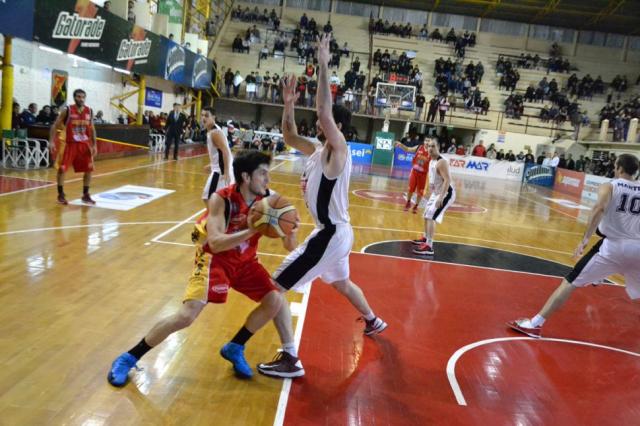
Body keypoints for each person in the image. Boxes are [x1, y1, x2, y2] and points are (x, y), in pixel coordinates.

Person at [107, 150, 299, 386]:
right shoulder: (222, 199)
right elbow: (216, 243)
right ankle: (129, 357)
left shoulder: (270, 200)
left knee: (274, 300)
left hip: (246, 262)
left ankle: (235, 346)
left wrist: (291, 229)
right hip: (214, 260)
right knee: (186, 316)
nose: (268, 180)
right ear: (246, 177)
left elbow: (290, 246)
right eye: (263, 174)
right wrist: (253, 229)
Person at [256, 35, 388, 379]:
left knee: (274, 287)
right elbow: (288, 135)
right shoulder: (317, 149)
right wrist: (287, 103)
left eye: (325, 123)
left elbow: (324, 111)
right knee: (343, 283)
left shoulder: (337, 149)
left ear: (337, 127)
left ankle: (290, 358)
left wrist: (325, 64)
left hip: (330, 234)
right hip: (334, 232)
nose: (318, 125)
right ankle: (373, 320)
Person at [508, 154, 640, 338]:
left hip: (613, 247)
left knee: (570, 282)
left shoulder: (610, 185)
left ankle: (535, 324)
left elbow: (599, 209)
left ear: (619, 168)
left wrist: (585, 239)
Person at [49, 89, 97, 205]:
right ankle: (61, 194)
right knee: (62, 169)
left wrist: (94, 144)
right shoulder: (68, 110)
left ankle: (85, 194)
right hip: (69, 144)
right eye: (78, 97)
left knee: (89, 169)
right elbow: (54, 125)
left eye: (83, 97)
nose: (81, 99)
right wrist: (51, 141)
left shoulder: (89, 111)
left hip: (84, 144)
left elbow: (92, 128)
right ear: (74, 98)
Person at [411, 140, 456, 256]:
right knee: (426, 214)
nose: (430, 148)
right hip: (436, 193)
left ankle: (429, 247)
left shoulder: (441, 162)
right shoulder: (431, 160)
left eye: (433, 146)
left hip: (446, 193)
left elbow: (447, 180)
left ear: (438, 147)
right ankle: (426, 238)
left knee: (431, 215)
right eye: (429, 146)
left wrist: (441, 197)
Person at [201, 107, 234, 207]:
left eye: (206, 115)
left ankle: (216, 220)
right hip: (220, 169)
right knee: (217, 200)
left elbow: (225, 152)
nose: (203, 118)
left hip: (220, 171)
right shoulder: (213, 130)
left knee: (208, 198)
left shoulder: (215, 133)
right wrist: (211, 164)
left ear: (213, 117)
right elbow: (220, 152)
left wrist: (226, 172)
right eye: (202, 115)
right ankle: (218, 219)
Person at [396, 137, 431, 214]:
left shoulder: (432, 152)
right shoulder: (419, 147)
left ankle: (416, 206)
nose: (427, 142)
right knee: (410, 189)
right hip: (414, 172)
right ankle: (408, 202)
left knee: (420, 192)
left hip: (424, 174)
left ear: (431, 142)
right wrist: (401, 145)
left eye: (428, 141)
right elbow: (408, 149)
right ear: (424, 141)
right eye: (426, 140)